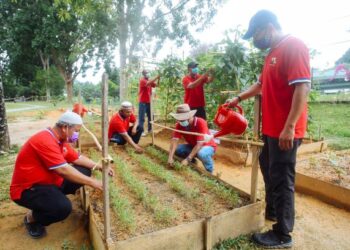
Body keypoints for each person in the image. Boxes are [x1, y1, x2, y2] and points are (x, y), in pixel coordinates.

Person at [227, 10, 311, 249]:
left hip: (285, 130)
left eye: (255, 34)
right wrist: (238, 98)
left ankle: (283, 235)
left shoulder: (294, 46)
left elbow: (302, 87)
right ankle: (274, 211)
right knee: (268, 166)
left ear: (268, 27)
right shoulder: (271, 54)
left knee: (283, 178)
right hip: (272, 129)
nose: (254, 39)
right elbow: (261, 84)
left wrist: (290, 127)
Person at [10, 111, 114, 239]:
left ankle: (53, 198)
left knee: (85, 170)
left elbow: (76, 157)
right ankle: (31, 218)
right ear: (65, 127)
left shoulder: (61, 140)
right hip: (28, 189)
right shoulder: (44, 140)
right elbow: (63, 170)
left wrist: (98, 166)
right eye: (76, 130)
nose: (77, 134)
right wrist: (93, 182)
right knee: (62, 208)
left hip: (50, 182)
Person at [167, 104, 216, 173]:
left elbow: (199, 144)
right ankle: (193, 163)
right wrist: (170, 157)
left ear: (190, 116)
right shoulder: (180, 124)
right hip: (193, 145)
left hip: (207, 146)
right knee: (178, 150)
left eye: (183, 119)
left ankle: (209, 172)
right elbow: (175, 140)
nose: (181, 121)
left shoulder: (200, 122)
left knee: (202, 154)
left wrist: (187, 159)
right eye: (180, 119)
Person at [138, 70, 160, 136]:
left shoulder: (150, 80)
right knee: (142, 117)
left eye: (148, 72)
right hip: (142, 102)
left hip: (149, 102)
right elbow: (148, 83)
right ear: (144, 74)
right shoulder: (142, 80)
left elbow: (157, 85)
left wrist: (159, 79)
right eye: (146, 73)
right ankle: (141, 131)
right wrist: (156, 77)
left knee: (151, 116)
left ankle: (150, 130)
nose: (148, 74)